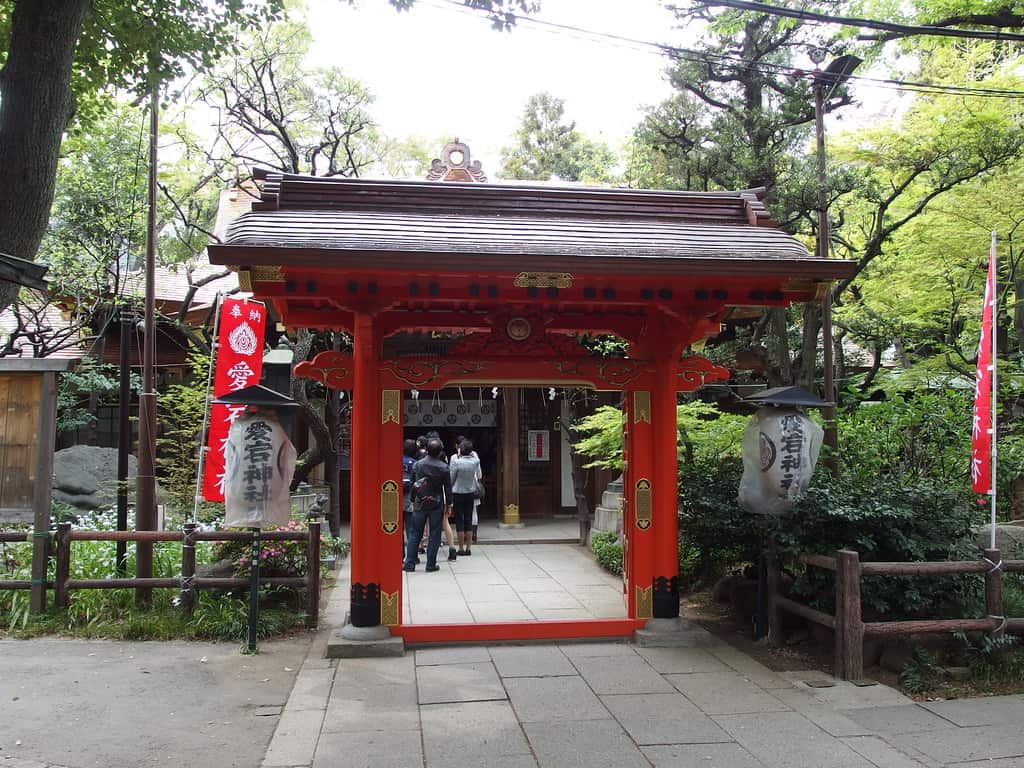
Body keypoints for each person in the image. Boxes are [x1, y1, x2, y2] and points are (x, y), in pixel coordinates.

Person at [403, 438, 453, 573]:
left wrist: (414, 499)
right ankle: (431, 564)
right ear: (439, 452)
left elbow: (414, 483)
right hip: (436, 503)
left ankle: (409, 563)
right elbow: (448, 489)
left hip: (420, 502)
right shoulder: (444, 467)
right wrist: (449, 504)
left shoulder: (418, 465)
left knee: (415, 533)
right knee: (435, 533)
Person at [449, 439, 481, 556]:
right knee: (468, 519)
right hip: (470, 491)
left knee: (459, 520)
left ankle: (461, 547)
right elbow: (478, 474)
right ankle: (469, 547)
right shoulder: (475, 461)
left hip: (458, 492)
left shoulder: (457, 462)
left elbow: (451, 478)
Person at [401, 438, 418, 564]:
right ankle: (412, 556)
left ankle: (399, 553)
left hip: (396, 496)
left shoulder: (397, 460)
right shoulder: (415, 463)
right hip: (410, 498)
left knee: (397, 529)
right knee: (411, 529)